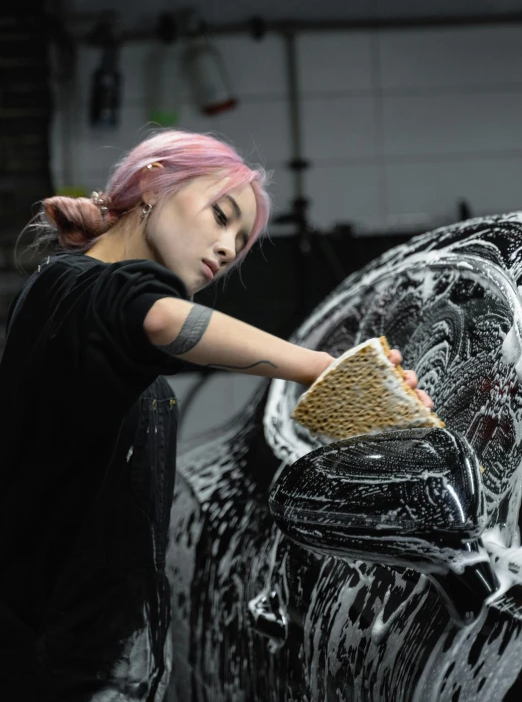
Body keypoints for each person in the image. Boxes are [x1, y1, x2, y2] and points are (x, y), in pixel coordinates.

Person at [0, 129, 433, 701]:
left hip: (75, 656)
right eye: (221, 215)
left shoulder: (79, 297)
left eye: (239, 238)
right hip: (53, 663)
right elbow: (153, 317)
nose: (228, 248)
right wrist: (321, 368)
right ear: (154, 181)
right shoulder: (83, 286)